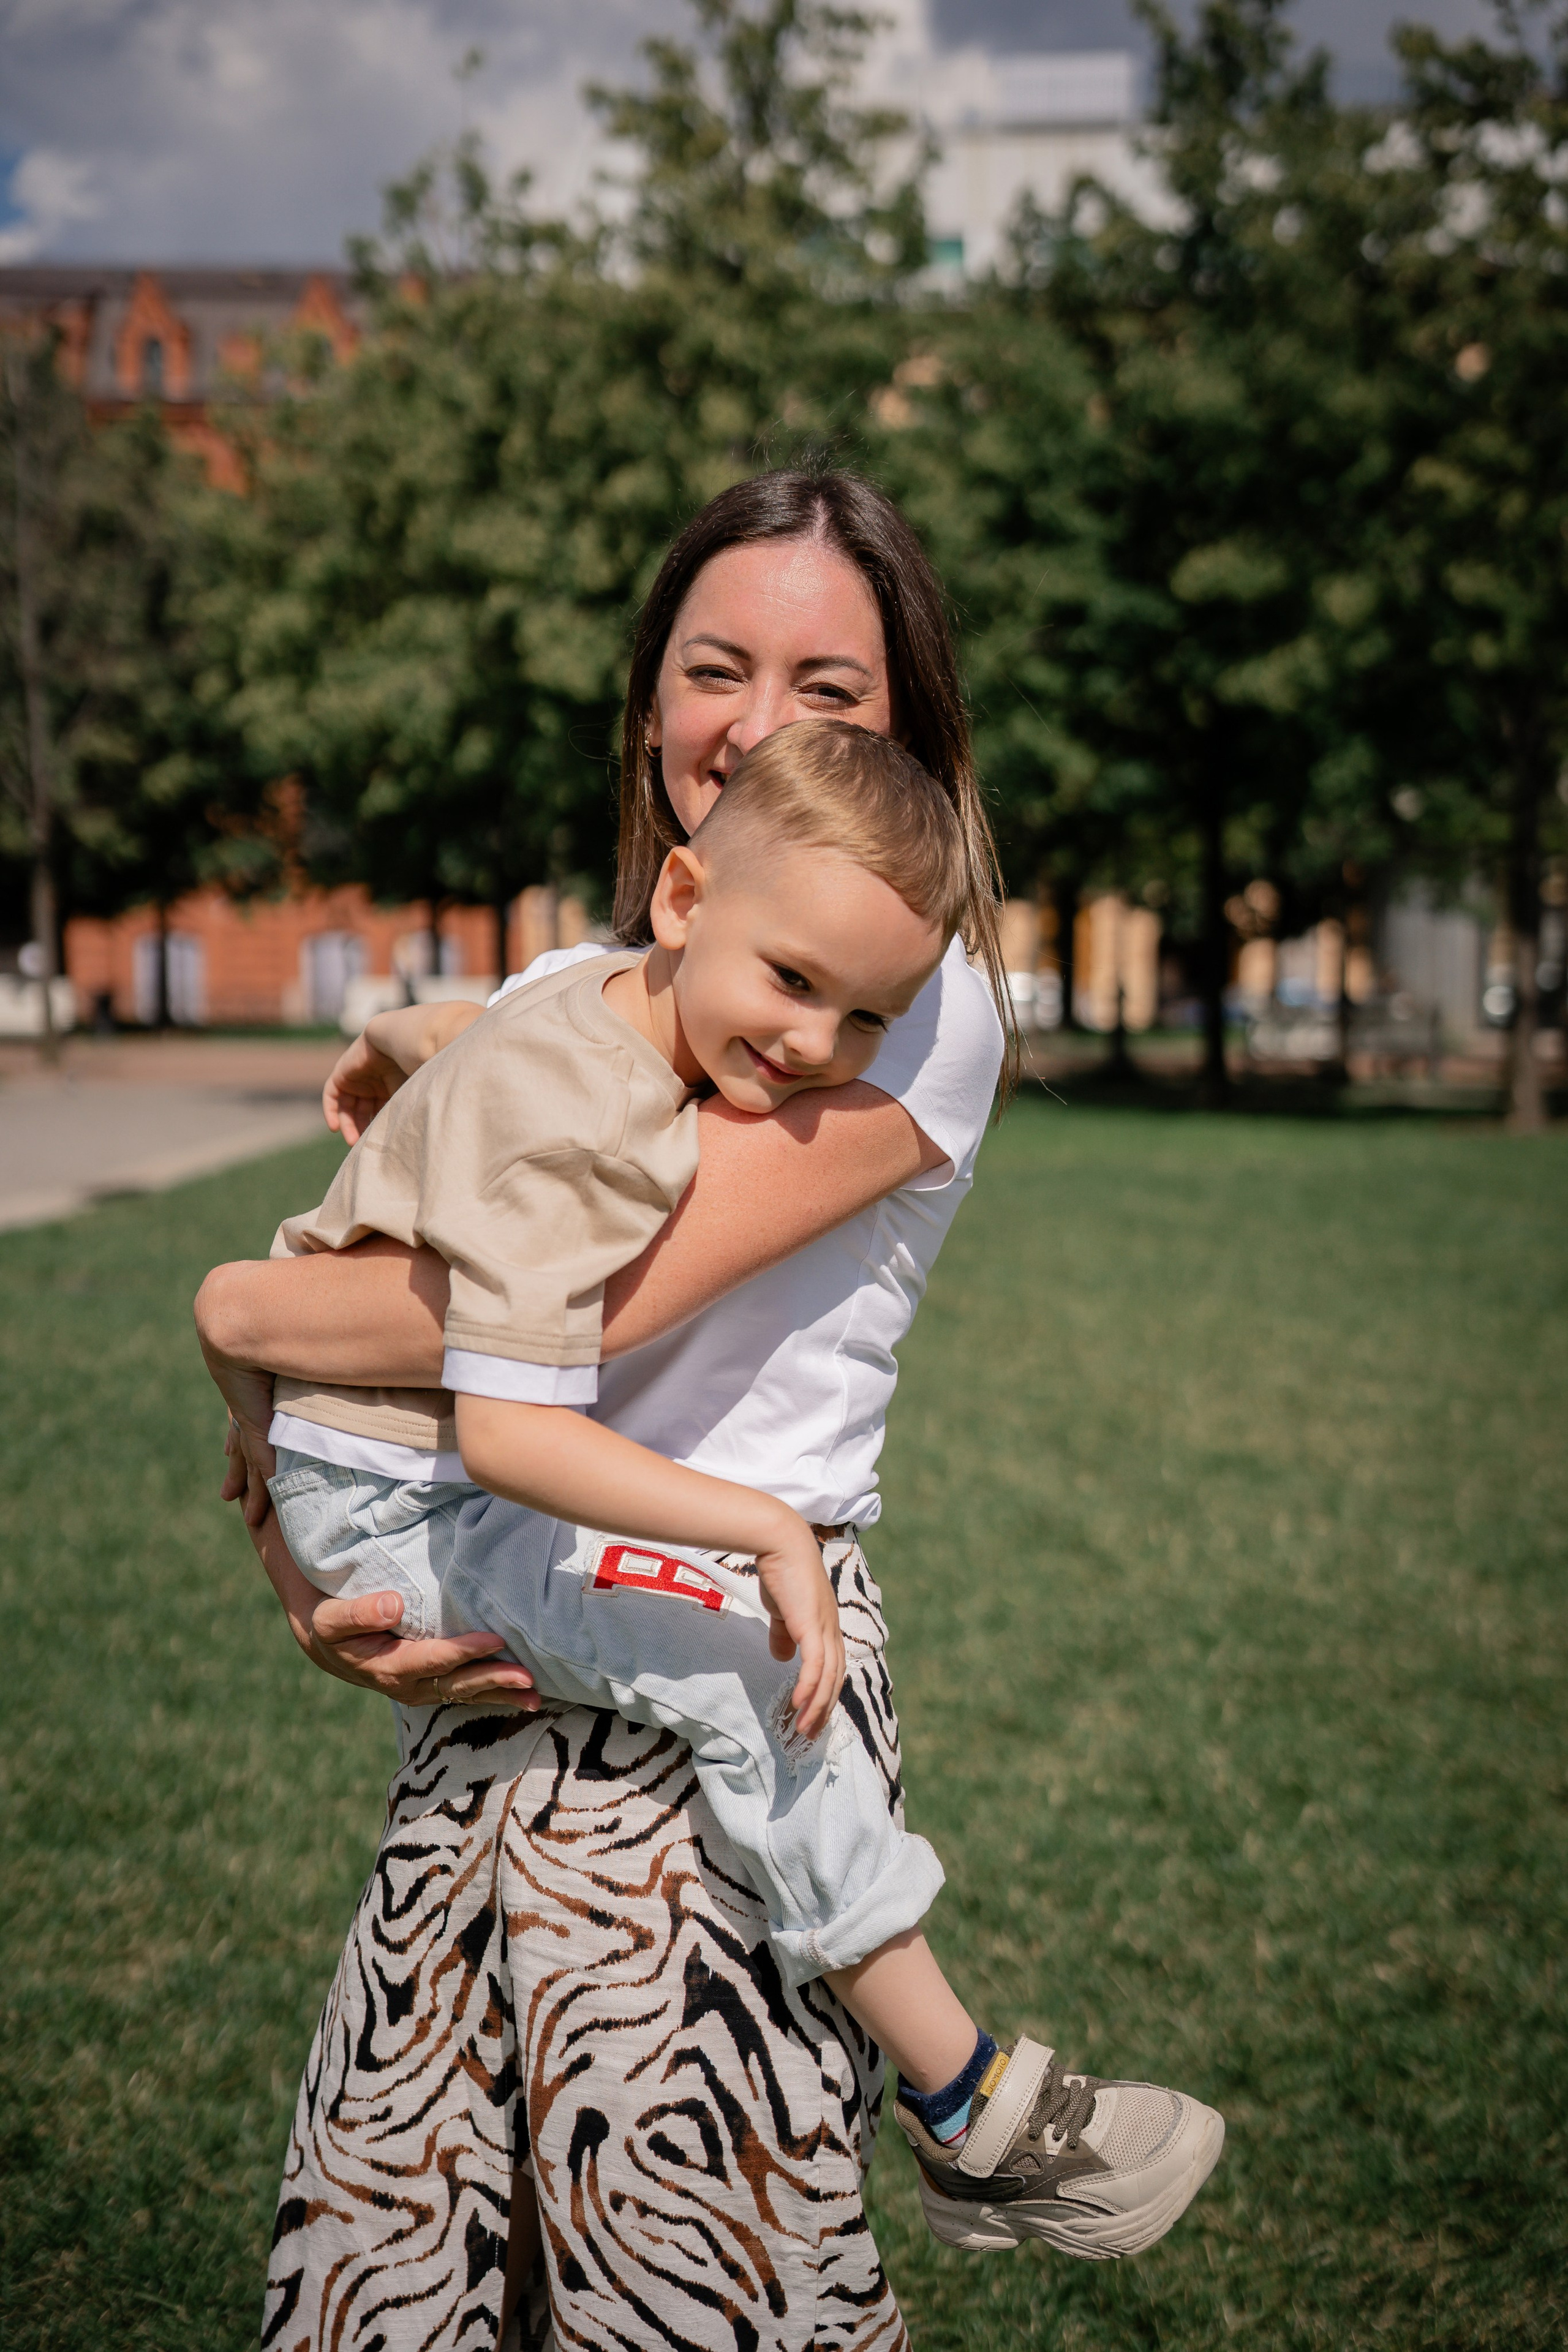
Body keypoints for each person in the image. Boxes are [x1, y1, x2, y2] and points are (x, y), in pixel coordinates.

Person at [200, 470, 1221, 2352]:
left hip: (739, 1669)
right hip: (502, 1653)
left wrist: (260, 1304)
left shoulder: (913, 1007)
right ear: (649, 705)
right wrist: (297, 1572)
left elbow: (559, 1326)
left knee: (698, 2281)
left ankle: (981, 2109)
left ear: (904, 724)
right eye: (713, 668)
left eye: (828, 690)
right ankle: (982, 2104)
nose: (756, 723)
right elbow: (413, 1275)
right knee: (401, 2269)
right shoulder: (609, 984)